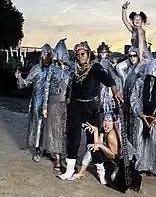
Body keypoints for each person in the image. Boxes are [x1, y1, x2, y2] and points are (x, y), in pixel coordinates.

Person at [58, 41, 123, 180]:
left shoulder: (96, 67)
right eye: (78, 55)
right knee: (73, 138)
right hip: (75, 107)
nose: (80, 56)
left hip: (91, 108)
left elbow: (107, 78)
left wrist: (115, 89)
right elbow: (69, 87)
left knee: (92, 140)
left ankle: (101, 172)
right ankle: (70, 169)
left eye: (83, 54)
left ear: (88, 55)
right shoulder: (74, 70)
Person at [15, 43, 53, 162]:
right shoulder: (36, 68)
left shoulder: (54, 69)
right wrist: (19, 78)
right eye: (45, 56)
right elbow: (25, 83)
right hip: (38, 101)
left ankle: (48, 149)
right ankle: (37, 149)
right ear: (41, 56)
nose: (47, 58)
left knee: (50, 126)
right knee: (38, 125)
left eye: (49, 56)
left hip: (52, 102)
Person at [42, 38, 74, 171]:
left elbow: (74, 87)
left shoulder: (71, 70)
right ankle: (58, 159)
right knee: (55, 131)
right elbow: (46, 88)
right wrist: (44, 106)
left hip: (66, 104)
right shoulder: (51, 70)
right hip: (53, 103)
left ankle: (66, 157)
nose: (60, 59)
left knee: (65, 131)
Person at [68, 111, 120, 185]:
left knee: (114, 178)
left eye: (109, 121)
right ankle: (81, 173)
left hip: (120, 162)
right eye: (105, 121)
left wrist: (101, 146)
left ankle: (104, 174)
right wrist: (95, 131)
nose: (106, 124)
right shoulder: (103, 130)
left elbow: (114, 156)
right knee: (91, 148)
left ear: (114, 123)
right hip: (111, 159)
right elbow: (97, 145)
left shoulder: (111, 135)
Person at [121, 1, 153, 65]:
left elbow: (140, 43)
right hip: (135, 54)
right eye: (135, 19)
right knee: (119, 67)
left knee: (136, 71)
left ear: (142, 21)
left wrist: (140, 57)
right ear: (132, 21)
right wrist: (123, 9)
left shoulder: (140, 30)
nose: (137, 21)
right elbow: (125, 21)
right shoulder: (134, 30)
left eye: (139, 19)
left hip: (143, 55)